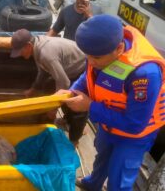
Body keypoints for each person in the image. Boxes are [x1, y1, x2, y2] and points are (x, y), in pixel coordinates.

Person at [58, 14, 165, 190]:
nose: (90, 61)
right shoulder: (99, 51)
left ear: (119, 48)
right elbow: (88, 76)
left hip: (133, 136)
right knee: (102, 157)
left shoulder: (145, 74)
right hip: (109, 123)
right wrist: (72, 91)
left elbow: (135, 124)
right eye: (88, 56)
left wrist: (90, 106)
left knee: (119, 178)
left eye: (96, 58)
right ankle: (93, 184)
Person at [10, 28, 88, 145]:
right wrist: (33, 88)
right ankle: (66, 121)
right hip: (67, 69)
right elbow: (43, 71)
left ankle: (74, 139)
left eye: (20, 51)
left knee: (76, 104)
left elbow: (64, 83)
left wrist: (53, 108)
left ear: (28, 45)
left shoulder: (46, 54)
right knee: (51, 88)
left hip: (82, 68)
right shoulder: (37, 47)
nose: (20, 54)